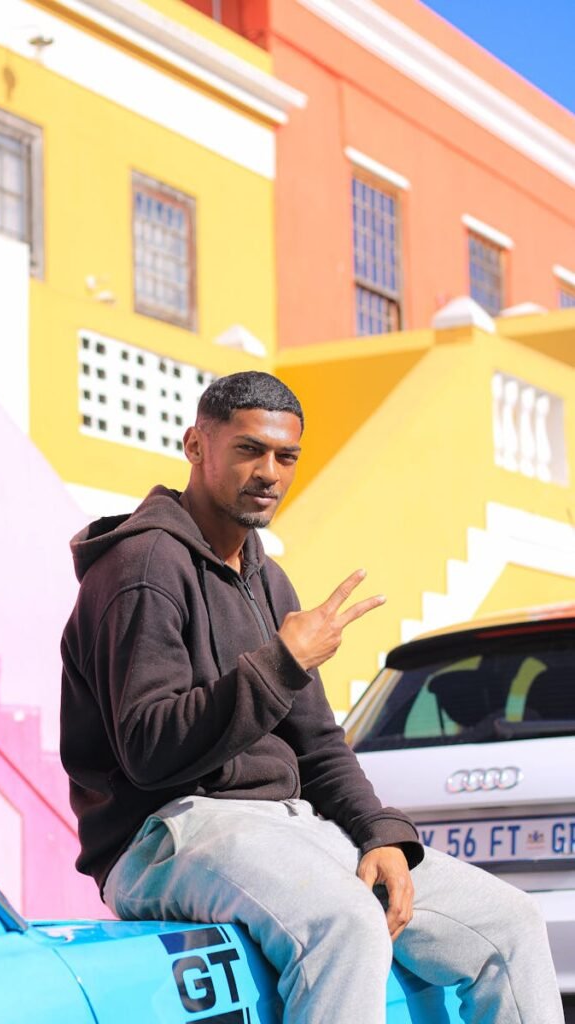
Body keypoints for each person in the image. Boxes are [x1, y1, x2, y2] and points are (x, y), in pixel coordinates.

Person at [60, 371, 563, 1023]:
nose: (269, 471)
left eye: (285, 456)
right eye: (248, 449)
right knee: (347, 924)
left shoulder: (268, 583)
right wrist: (280, 662)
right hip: (166, 832)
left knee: (510, 925)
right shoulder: (142, 568)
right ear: (195, 446)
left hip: (288, 825)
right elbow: (149, 750)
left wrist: (379, 834)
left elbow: (318, 743)